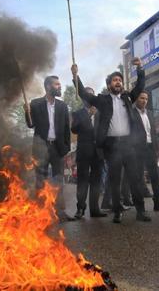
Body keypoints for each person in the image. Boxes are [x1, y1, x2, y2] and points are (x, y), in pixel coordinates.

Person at [72, 58, 151, 223]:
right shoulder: (102, 100)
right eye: (115, 80)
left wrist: (140, 68)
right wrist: (75, 76)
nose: (118, 82)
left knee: (135, 179)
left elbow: (140, 86)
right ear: (109, 85)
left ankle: (141, 211)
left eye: (120, 80)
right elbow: (83, 94)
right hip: (112, 146)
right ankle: (117, 211)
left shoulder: (128, 97)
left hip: (129, 145)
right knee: (115, 181)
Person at [24, 75, 73, 222]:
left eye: (59, 84)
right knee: (40, 180)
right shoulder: (35, 103)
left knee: (59, 181)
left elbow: (66, 130)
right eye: (56, 85)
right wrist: (27, 112)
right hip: (41, 147)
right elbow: (31, 124)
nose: (60, 87)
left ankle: (59, 211)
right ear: (48, 87)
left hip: (57, 148)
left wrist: (66, 150)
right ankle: (41, 212)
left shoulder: (63, 106)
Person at [71, 87, 108, 219]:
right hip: (83, 152)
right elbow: (74, 129)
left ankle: (95, 209)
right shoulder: (77, 113)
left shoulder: (101, 113)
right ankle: (80, 208)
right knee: (82, 181)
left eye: (92, 95)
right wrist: (88, 115)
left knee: (96, 181)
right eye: (87, 95)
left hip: (98, 152)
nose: (90, 97)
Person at [131, 91, 159, 211]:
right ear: (136, 99)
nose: (144, 101)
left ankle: (158, 202)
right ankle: (140, 208)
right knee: (138, 178)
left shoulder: (150, 114)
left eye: (146, 99)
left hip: (150, 148)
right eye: (142, 98)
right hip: (137, 149)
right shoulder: (130, 113)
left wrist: (157, 150)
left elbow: (153, 133)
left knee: (155, 176)